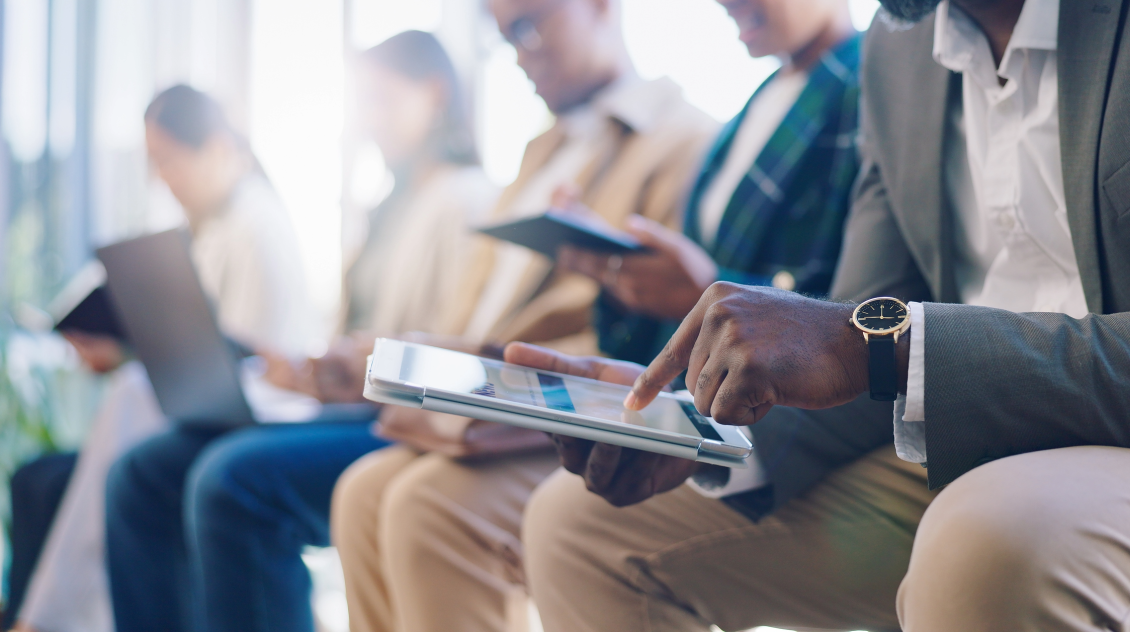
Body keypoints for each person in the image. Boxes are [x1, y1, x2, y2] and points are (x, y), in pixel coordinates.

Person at [518, 0, 1130, 630]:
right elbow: (846, 339)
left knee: (984, 541)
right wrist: (697, 426)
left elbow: (875, 345)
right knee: (574, 527)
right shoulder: (899, 46)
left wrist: (893, 349)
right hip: (968, 454)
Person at [329, 1, 716, 630]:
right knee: (362, 492)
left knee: (428, 506)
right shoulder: (538, 154)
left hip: (570, 409)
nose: (520, 50)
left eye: (532, 24)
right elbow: (478, 308)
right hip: (489, 395)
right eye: (506, 36)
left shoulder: (682, 139)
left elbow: (653, 329)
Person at [103, 32, 497, 632]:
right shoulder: (389, 209)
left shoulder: (467, 202)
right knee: (143, 472)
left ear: (436, 96)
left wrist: (365, 368)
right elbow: (362, 346)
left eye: (382, 102)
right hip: (359, 410)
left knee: (231, 480)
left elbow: (465, 368)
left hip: (414, 426)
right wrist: (319, 373)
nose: (368, 122)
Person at [6, 85, 313, 632]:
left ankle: (48, 619)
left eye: (169, 159)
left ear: (216, 148)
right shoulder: (211, 231)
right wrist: (124, 350)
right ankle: (44, 616)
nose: (163, 178)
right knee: (38, 479)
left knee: (135, 459)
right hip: (203, 409)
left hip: (262, 413)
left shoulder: (256, 226)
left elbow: (256, 359)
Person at [559, 0, 861, 367]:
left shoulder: (868, 89)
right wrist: (635, 282)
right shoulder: (762, 101)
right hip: (707, 397)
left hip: (784, 410)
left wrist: (710, 291)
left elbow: (862, 321)